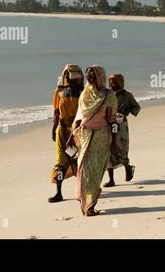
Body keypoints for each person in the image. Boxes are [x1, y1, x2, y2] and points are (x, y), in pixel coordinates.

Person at [71, 65, 117, 216]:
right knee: (83, 168)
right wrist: (72, 134)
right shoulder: (85, 94)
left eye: (92, 76)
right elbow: (79, 117)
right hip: (84, 135)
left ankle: (90, 204)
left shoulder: (108, 95)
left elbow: (112, 120)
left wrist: (114, 140)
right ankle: (85, 202)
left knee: (96, 171)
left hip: (102, 137)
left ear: (100, 77)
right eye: (87, 77)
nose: (89, 79)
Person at [49, 64, 84, 203]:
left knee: (78, 160)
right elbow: (57, 112)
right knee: (61, 161)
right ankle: (59, 192)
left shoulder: (83, 93)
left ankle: (82, 189)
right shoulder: (59, 92)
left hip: (77, 132)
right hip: (62, 132)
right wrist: (54, 129)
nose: (70, 80)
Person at [104, 74, 140, 187]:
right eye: (110, 82)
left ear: (120, 83)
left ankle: (128, 168)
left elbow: (136, 108)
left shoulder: (127, 95)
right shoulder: (107, 95)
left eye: (114, 82)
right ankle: (111, 180)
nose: (111, 85)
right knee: (109, 151)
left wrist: (127, 111)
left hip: (122, 126)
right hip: (108, 125)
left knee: (121, 149)